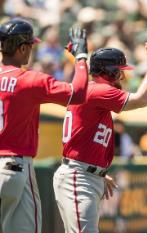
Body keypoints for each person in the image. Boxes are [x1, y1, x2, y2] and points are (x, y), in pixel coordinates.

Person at [53, 31, 147, 233]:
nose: (122, 75)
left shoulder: (94, 91)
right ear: (110, 71)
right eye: (119, 71)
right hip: (79, 176)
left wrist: (98, 172)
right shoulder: (99, 91)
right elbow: (143, 99)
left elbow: (85, 138)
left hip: (84, 174)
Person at [0, 18, 89, 233]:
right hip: (14, 166)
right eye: (30, 45)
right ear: (22, 48)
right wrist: (81, 58)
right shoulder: (30, 80)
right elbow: (78, 93)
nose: (31, 50)